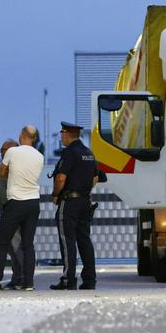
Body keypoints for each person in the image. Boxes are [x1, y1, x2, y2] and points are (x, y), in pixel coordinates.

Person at [0, 126, 44, 291]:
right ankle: (28, 283)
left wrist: (11, 172)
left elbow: (1, 172)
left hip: (16, 202)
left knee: (2, 242)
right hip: (33, 202)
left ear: (21, 135)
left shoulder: (12, 152)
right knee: (28, 244)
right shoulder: (40, 156)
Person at [49, 121, 100, 290]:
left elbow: (61, 178)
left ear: (68, 134)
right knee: (84, 240)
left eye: (62, 133)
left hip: (70, 202)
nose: (61, 136)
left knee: (67, 239)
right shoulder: (89, 153)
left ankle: (68, 279)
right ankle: (89, 280)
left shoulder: (70, 153)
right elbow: (95, 177)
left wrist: (56, 195)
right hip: (85, 201)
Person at [0, 139, 25, 290]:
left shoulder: (15, 167)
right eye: (1, 149)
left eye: (4, 149)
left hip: (13, 211)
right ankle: (17, 276)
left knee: (16, 244)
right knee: (9, 246)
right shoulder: (5, 167)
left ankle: (22, 277)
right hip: (5, 211)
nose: (2, 152)